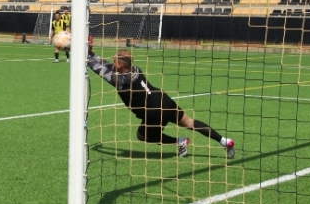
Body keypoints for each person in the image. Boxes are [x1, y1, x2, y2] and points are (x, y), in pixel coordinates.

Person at [87, 45, 236, 158]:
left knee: (142, 136)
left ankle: (179, 142)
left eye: (115, 60)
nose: (112, 62)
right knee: (190, 122)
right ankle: (224, 141)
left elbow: (101, 70)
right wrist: (91, 52)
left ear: (120, 65)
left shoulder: (121, 81)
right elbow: (106, 66)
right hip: (164, 100)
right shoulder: (135, 69)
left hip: (154, 110)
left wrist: (85, 56)